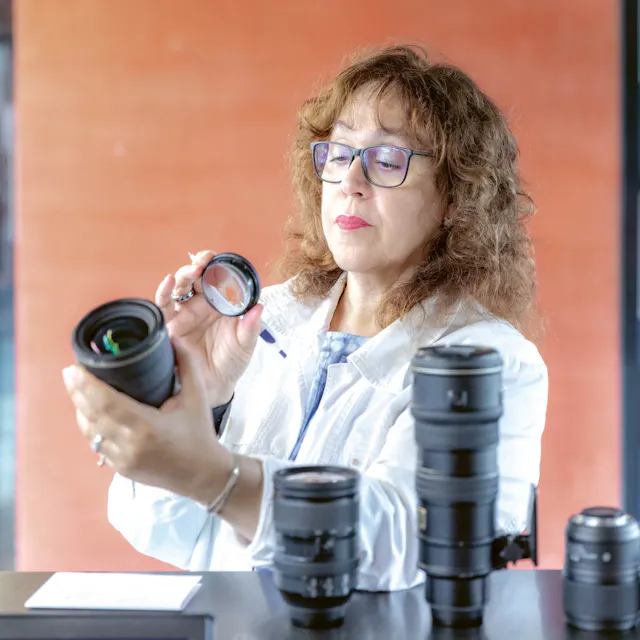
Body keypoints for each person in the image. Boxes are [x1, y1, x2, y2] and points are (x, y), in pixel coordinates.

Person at [62, 44, 548, 591]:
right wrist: (202, 401)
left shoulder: (492, 363)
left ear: (457, 197)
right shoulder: (263, 318)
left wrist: (215, 475)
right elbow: (165, 533)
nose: (350, 181)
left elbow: (406, 543)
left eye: (388, 160)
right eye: (338, 154)